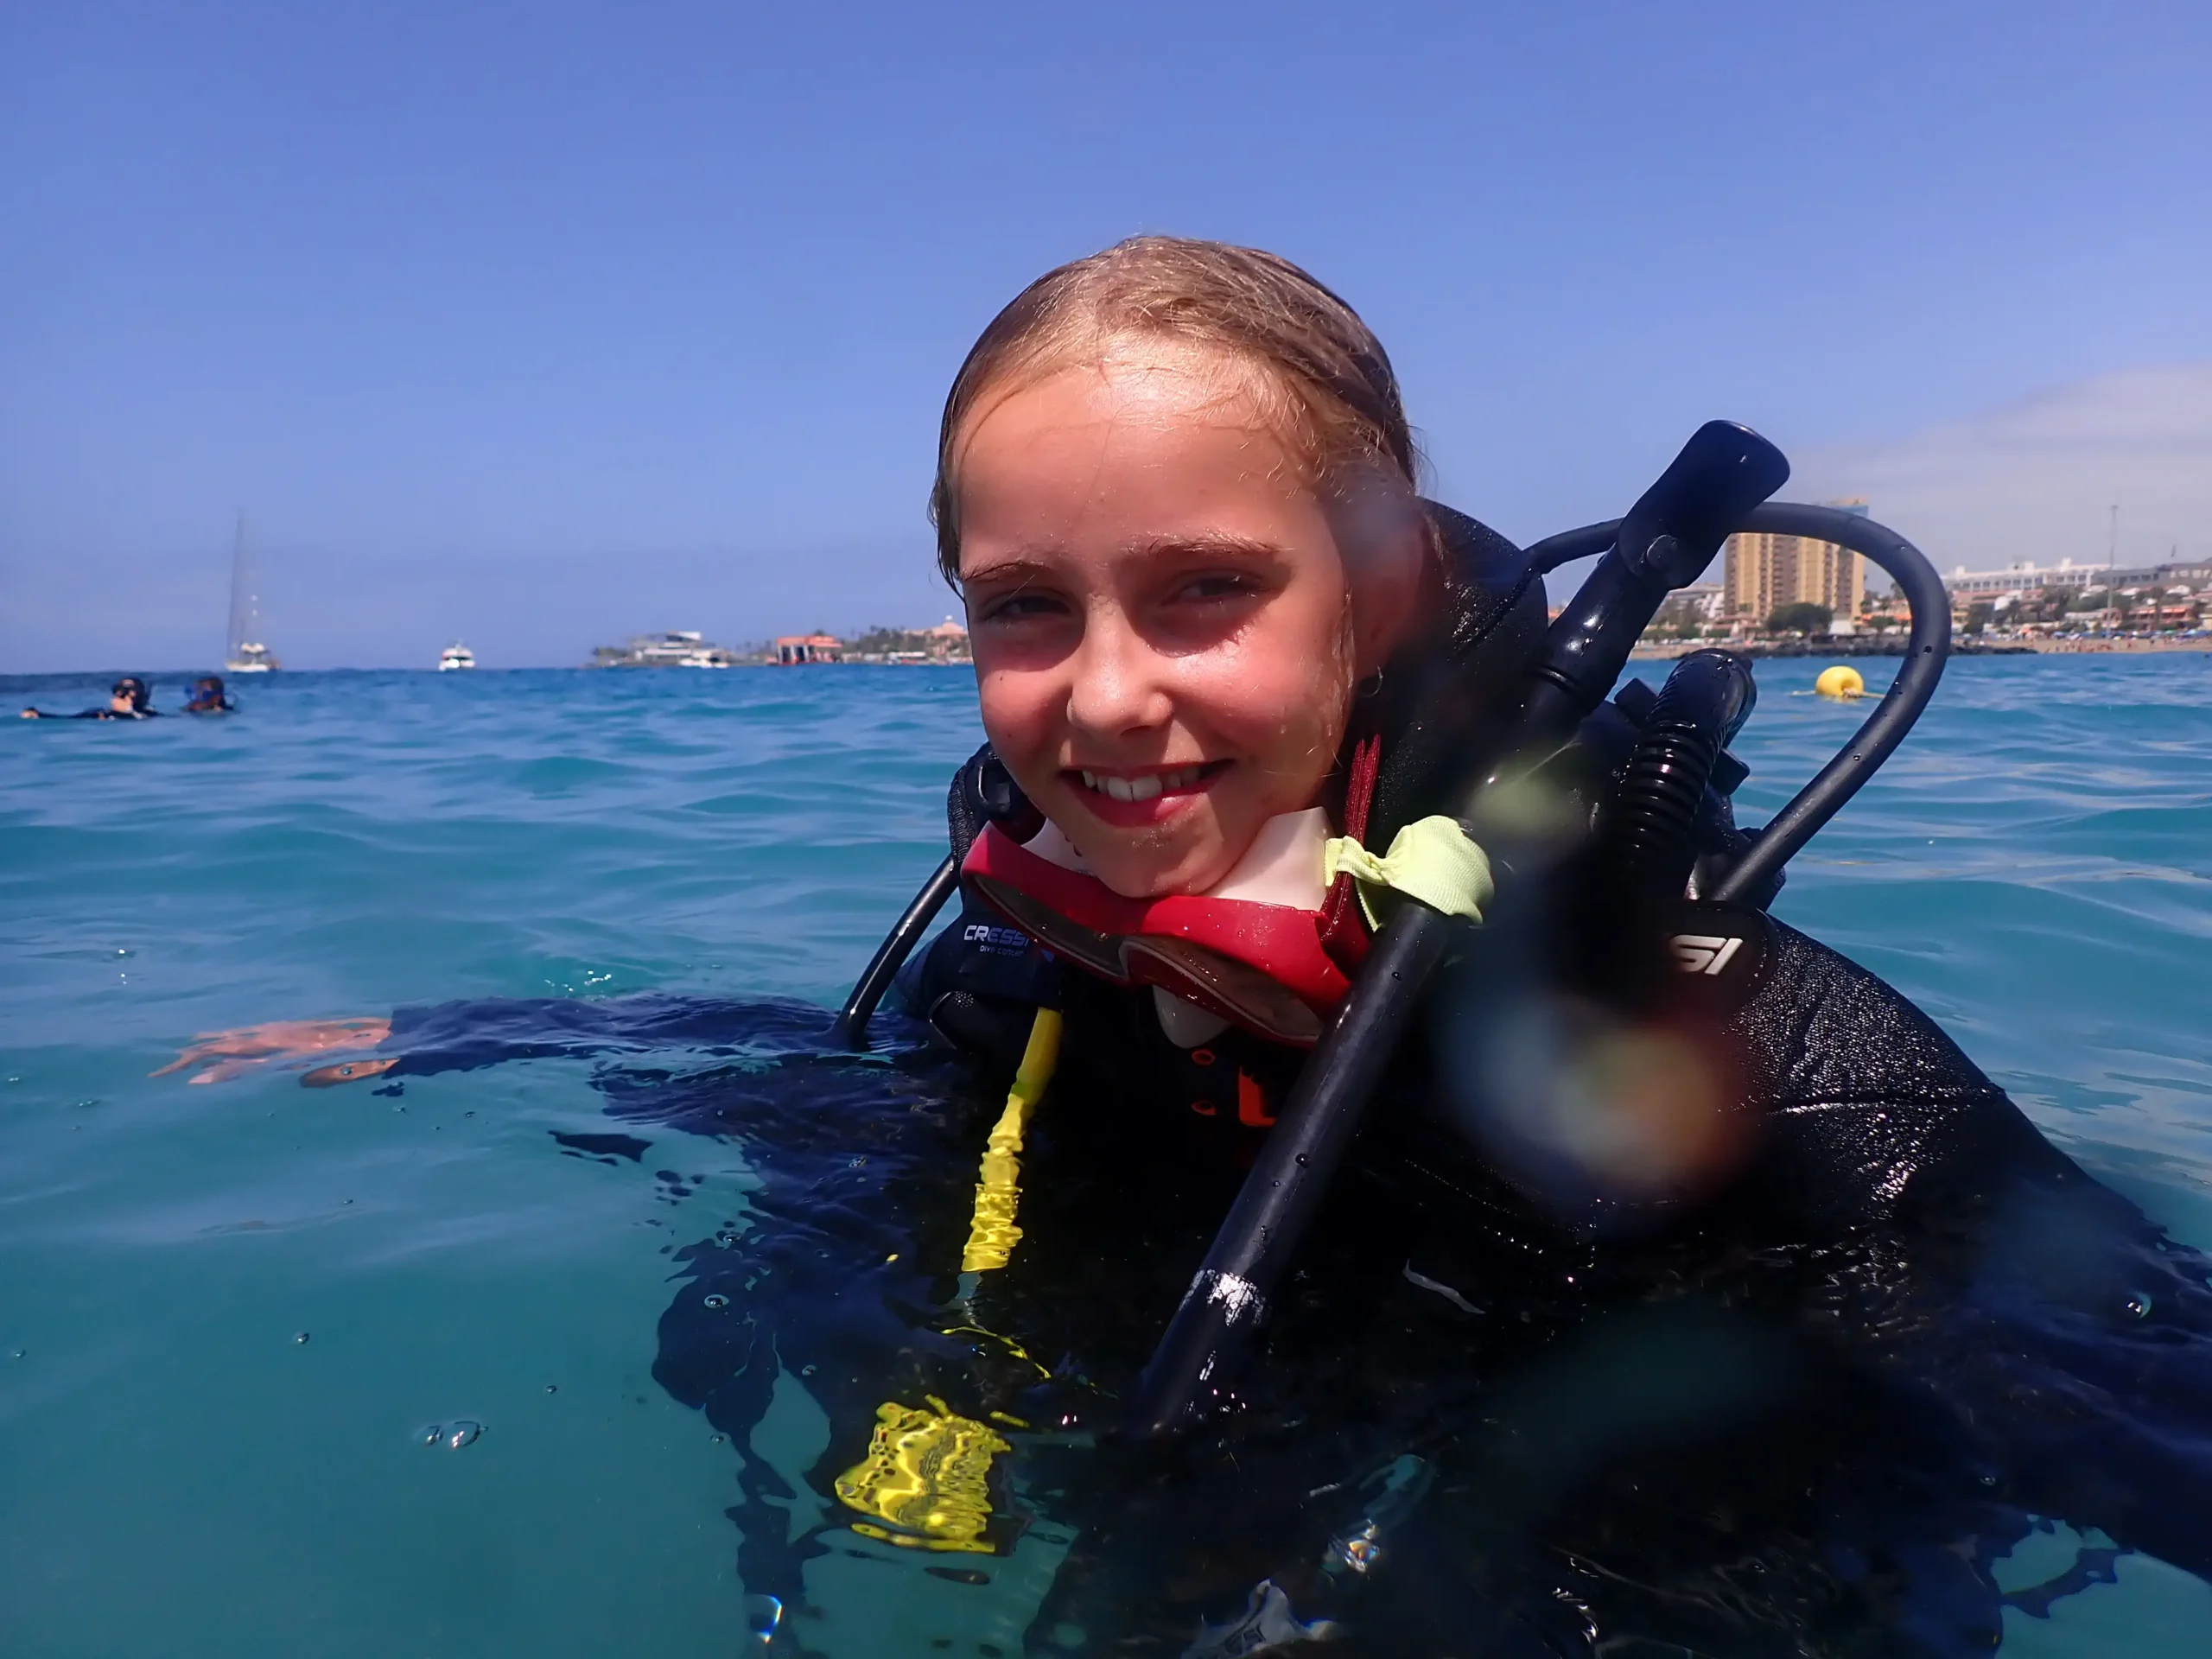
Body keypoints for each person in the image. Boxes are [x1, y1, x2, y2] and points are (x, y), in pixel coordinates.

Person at [162, 240, 2212, 1653]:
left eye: (1203, 589)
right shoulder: (1033, 981)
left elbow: (2125, 1395)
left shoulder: (1768, 1076)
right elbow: (816, 1087)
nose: (1103, 698)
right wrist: (468, 1030)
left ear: (1383, 604)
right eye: (1023, 606)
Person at [20, 676, 162, 719]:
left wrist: (128, 712)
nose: (118, 698)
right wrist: (39, 715)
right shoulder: (101, 713)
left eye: (126, 693)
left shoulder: (147, 715)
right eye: (118, 693)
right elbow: (69, 719)